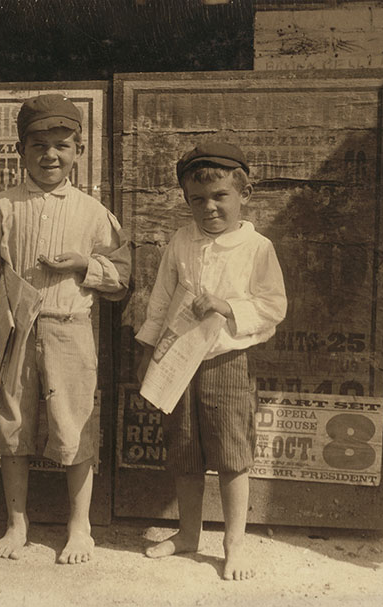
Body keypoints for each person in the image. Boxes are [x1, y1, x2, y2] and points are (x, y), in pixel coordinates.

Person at [0, 94, 130, 564]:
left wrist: (84, 265)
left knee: (73, 426)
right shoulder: (4, 207)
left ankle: (80, 527)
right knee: (13, 424)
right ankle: (17, 523)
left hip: (70, 330)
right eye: (39, 144)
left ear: (78, 151)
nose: (50, 155)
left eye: (62, 145)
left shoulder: (92, 212)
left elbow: (121, 278)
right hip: (14, 332)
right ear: (21, 148)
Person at [135, 142, 287, 581]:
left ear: (245, 194)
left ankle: (233, 544)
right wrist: (149, 352)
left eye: (220, 196)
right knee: (184, 448)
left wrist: (227, 305)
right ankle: (187, 534)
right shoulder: (182, 240)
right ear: (186, 200)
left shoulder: (257, 247)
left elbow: (274, 305)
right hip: (179, 361)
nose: (210, 207)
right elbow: (162, 299)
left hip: (227, 362)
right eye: (198, 199)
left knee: (232, 452)